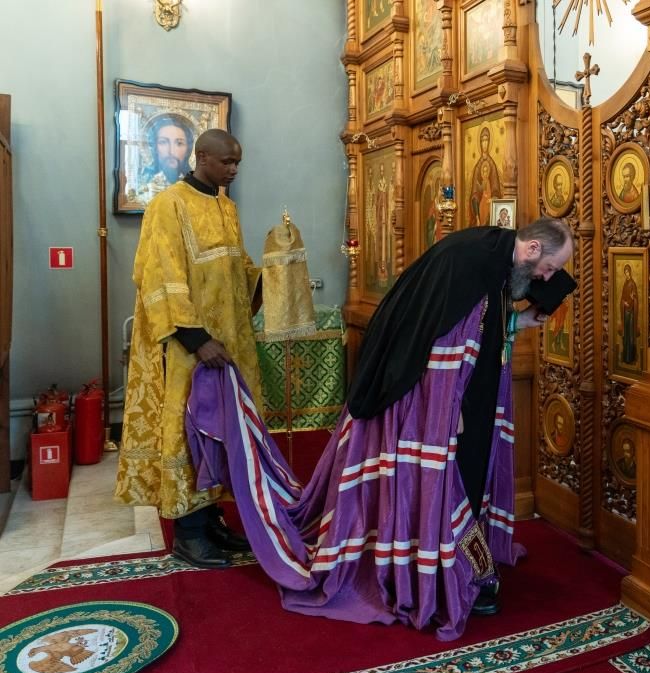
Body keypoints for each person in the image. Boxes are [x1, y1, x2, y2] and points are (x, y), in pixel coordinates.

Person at [184, 217, 574, 641]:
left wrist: (519, 321)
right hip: (431, 397)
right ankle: (438, 571)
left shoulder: (498, 253)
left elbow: (488, 320)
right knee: (447, 479)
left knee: (468, 472)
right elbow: (443, 342)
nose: (545, 278)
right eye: (548, 268)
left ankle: (459, 559)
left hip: (463, 392)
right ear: (532, 248)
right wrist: (447, 410)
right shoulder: (472, 262)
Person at [115, 129, 260, 569]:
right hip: (188, 348)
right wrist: (197, 339)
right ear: (202, 157)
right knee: (189, 430)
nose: (234, 170)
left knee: (220, 429)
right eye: (227, 162)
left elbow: (237, 268)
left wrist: (271, 274)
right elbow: (160, 274)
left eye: (238, 163)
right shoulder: (169, 204)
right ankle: (189, 533)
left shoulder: (227, 207)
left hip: (229, 341)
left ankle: (211, 519)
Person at [140, 115, 194, 188]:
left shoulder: (193, 185)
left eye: (179, 143)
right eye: (163, 142)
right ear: (155, 148)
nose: (171, 152)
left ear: (188, 149)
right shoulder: (145, 184)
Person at [470, 127, 502, 225]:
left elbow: (496, 190)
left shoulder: (492, 165)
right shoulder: (477, 167)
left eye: (486, 140)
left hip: (490, 208)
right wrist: (477, 216)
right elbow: (474, 193)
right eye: (482, 141)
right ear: (480, 143)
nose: (485, 144)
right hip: (480, 209)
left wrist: (493, 198)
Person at [619, 264, 639, 365]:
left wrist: (631, 300)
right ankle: (625, 357)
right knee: (625, 335)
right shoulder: (625, 284)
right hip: (625, 312)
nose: (626, 274)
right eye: (625, 272)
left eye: (627, 272)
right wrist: (624, 303)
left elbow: (635, 298)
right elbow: (622, 298)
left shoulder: (632, 284)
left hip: (630, 313)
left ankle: (630, 357)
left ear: (630, 272)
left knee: (630, 335)